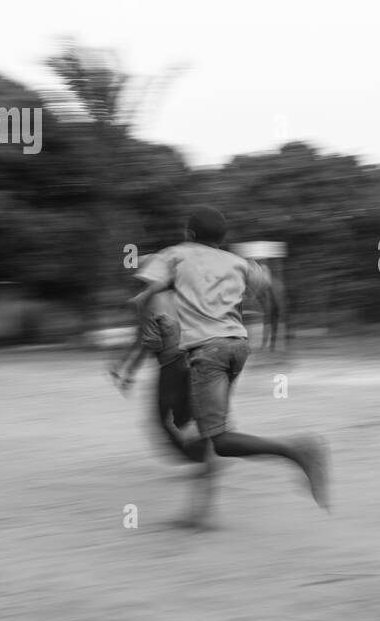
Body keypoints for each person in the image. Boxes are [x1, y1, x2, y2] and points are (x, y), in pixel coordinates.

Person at [129, 208, 330, 528]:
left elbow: (145, 295)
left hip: (204, 352)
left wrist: (144, 314)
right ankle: (200, 513)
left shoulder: (174, 255)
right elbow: (274, 295)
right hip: (236, 347)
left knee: (218, 438)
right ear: (221, 239)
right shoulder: (238, 263)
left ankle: (297, 450)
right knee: (207, 429)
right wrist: (275, 342)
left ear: (189, 234)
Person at [110, 257, 208, 464]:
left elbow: (147, 342)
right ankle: (205, 447)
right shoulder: (183, 296)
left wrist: (128, 372)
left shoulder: (149, 302)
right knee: (184, 416)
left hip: (172, 364)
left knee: (163, 419)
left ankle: (196, 455)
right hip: (193, 361)